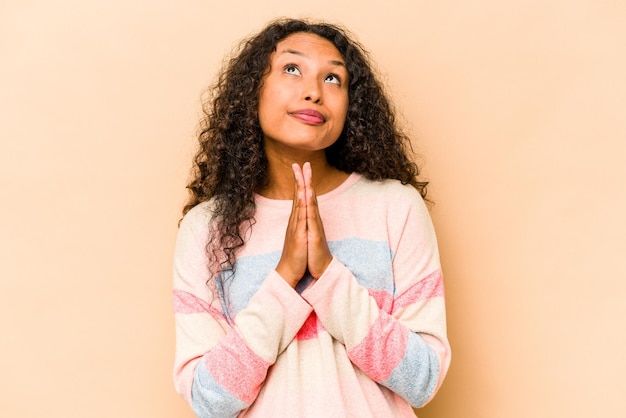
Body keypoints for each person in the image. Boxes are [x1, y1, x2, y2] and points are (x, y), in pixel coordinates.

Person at [172, 18, 451, 418]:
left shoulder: (396, 207)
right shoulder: (206, 230)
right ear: (253, 90)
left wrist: (329, 276)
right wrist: (285, 277)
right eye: (291, 69)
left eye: (333, 79)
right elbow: (209, 402)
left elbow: (422, 381)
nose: (314, 92)